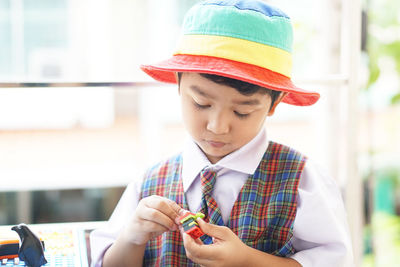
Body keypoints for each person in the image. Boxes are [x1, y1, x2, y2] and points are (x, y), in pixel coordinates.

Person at [90, 0, 354, 266]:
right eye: (201, 103)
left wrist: (247, 260)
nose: (217, 126)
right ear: (179, 85)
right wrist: (133, 237)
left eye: (242, 111)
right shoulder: (149, 183)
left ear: (275, 103)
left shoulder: (303, 182)